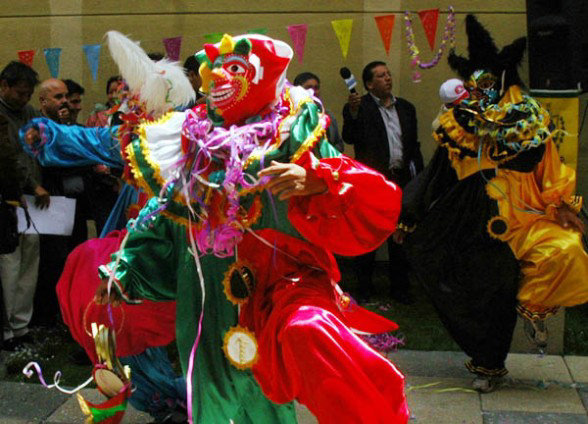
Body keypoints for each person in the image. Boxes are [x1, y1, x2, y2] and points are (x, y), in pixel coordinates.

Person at [75, 32, 408, 423]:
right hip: (202, 291)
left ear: (264, 75)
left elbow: (360, 186)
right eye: (213, 71)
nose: (217, 79)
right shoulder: (191, 136)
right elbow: (164, 210)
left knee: (265, 391)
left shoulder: (295, 130)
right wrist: (125, 267)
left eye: (234, 69)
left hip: (274, 283)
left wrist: (319, 179)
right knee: (208, 393)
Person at [398, 14, 588, 393]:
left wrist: (566, 205)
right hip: (471, 221)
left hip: (525, 216)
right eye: (474, 83)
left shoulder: (529, 121)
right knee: (482, 293)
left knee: (565, 250)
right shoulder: (457, 124)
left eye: (486, 82)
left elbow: (550, 170)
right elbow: (436, 175)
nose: (479, 90)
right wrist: (409, 215)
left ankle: (534, 312)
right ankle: (488, 365)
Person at [342, 61, 424, 304]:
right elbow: (349, 136)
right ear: (369, 84)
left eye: (388, 74)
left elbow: (413, 145)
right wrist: (353, 113)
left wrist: (417, 176)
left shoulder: (407, 108)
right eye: (380, 76)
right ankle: (364, 288)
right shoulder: (359, 107)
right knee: (368, 234)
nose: (387, 78)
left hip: (400, 179)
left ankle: (400, 288)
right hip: (372, 180)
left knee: (400, 234)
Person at [0, 61, 47, 351]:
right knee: (9, 264)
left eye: (28, 94)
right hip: (9, 199)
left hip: (35, 201)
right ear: (4, 86)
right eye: (19, 93)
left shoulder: (29, 113)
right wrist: (33, 185)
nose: (24, 99)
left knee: (30, 262)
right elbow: (11, 159)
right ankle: (7, 329)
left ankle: (22, 326)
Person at [293, 71, 344, 152]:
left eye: (316, 88)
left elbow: (338, 143)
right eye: (309, 88)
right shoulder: (292, 117)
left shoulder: (327, 115)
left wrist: (329, 154)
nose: (314, 92)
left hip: (329, 161)